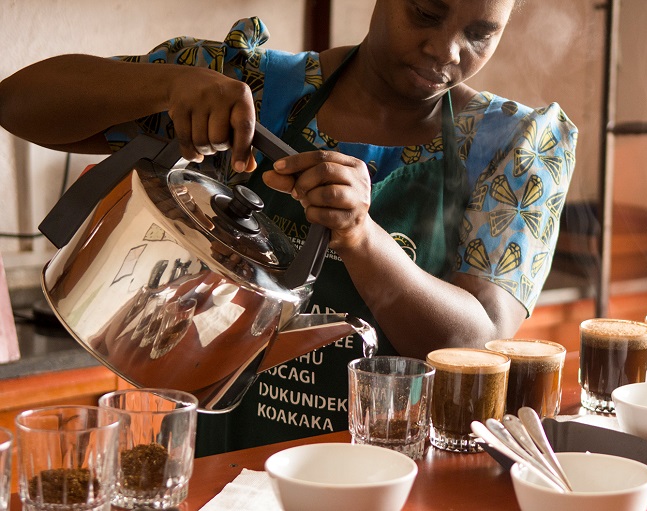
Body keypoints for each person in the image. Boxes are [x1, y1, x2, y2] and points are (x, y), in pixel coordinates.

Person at [0, 0, 577, 454]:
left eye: (480, 33)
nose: (445, 49)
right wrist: (168, 85)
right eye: (426, 13)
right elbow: (18, 102)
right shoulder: (250, 87)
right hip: (213, 463)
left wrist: (362, 237)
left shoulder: (510, 150)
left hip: (391, 478)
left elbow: (478, 344)